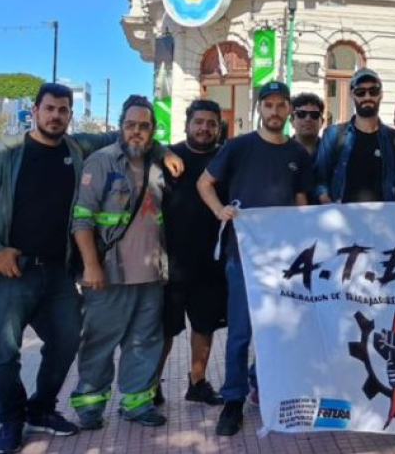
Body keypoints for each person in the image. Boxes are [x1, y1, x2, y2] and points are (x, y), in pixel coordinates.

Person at [0, 83, 124, 453]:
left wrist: (161, 149)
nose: (56, 116)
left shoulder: (76, 148)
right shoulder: (3, 153)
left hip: (58, 272)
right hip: (9, 272)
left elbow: (125, 132)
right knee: (5, 352)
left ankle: (41, 408)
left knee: (66, 341)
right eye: (49, 109)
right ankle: (11, 420)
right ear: (34, 110)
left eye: (63, 110)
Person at [197, 81, 313, 437]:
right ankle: (232, 401)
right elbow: (204, 183)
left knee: (277, 330)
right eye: (269, 105)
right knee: (241, 332)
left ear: (288, 111)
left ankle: (260, 385)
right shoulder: (238, 147)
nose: (275, 112)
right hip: (243, 256)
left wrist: (310, 235)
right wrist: (220, 210)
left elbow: (300, 200)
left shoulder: (298, 154)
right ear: (259, 108)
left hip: (283, 261)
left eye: (281, 105)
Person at [70, 95, 171, 430]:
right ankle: (89, 405)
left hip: (151, 274)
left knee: (144, 342)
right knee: (99, 341)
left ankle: (137, 403)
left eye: (144, 126)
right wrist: (91, 266)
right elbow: (82, 220)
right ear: (120, 127)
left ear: (153, 130)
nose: (137, 132)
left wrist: (167, 151)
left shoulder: (158, 162)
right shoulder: (101, 162)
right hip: (109, 273)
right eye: (131, 125)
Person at [156, 100, 227, 407]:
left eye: (211, 123)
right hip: (170, 262)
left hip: (211, 263)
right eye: (199, 122)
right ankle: (150, 386)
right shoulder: (167, 155)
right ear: (186, 124)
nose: (204, 128)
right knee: (163, 331)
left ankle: (197, 383)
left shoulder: (226, 157)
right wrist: (161, 149)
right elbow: (135, 141)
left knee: (205, 326)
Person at [314, 68, 395, 203]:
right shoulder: (333, 134)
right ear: (352, 95)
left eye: (373, 91)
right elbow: (320, 181)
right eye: (360, 92)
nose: (367, 97)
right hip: (343, 218)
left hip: (383, 220)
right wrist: (329, 205)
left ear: (381, 94)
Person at [290, 92, 324, 157]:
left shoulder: (331, 152)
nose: (308, 119)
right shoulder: (281, 151)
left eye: (314, 114)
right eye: (301, 114)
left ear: (322, 122)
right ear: (291, 121)